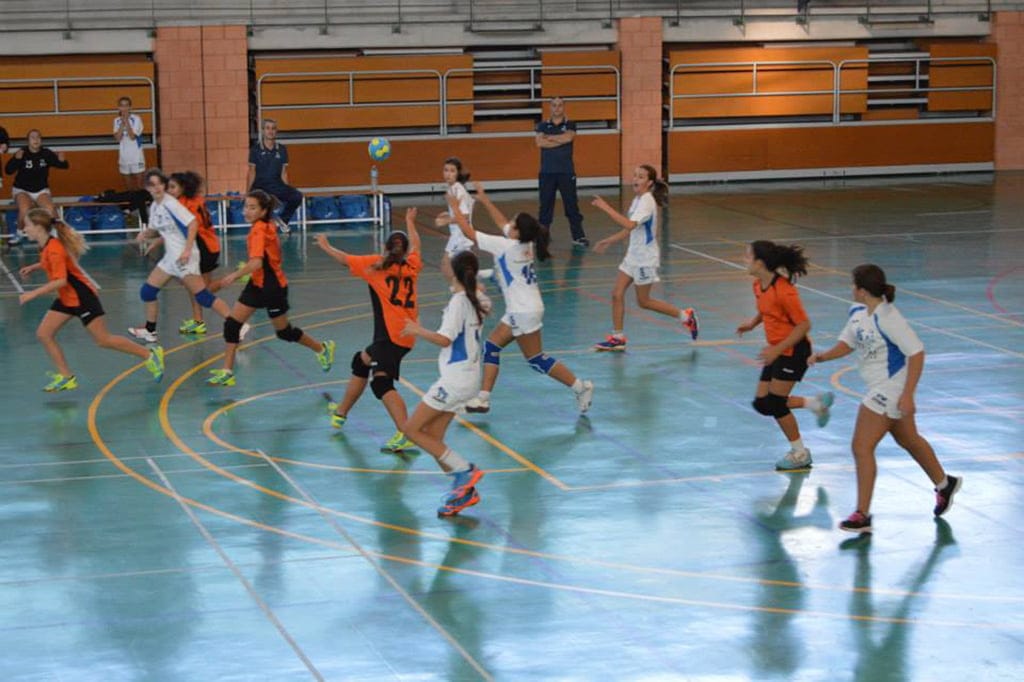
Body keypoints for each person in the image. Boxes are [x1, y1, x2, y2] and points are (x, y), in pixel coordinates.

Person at [809, 264, 961, 533]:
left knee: (861, 446)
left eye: (853, 284)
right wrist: (821, 357)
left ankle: (862, 514)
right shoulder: (857, 312)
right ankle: (944, 484)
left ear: (862, 290)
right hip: (881, 386)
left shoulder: (889, 317)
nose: (851, 289)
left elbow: (917, 353)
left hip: (890, 387)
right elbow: (848, 343)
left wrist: (908, 394)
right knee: (909, 440)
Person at [449, 183, 594, 416]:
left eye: (512, 223)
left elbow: (469, 232)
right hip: (526, 308)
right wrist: (485, 200)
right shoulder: (525, 244)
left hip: (522, 311)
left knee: (535, 358)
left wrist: (455, 208)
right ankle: (483, 399)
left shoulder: (505, 246)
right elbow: (502, 225)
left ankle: (581, 386)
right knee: (492, 347)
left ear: (517, 232)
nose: (508, 224)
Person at [17, 208, 164, 391]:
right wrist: (35, 267)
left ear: (39, 227)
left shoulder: (54, 248)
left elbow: (61, 280)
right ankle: (66, 377)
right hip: (67, 298)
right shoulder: (47, 245)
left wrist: (32, 294)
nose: (24, 229)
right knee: (44, 334)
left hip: (82, 297)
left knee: (103, 340)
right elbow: (54, 263)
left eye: (27, 225)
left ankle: (150, 354)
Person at [316, 208, 422, 452]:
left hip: (391, 336)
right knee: (361, 361)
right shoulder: (412, 266)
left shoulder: (376, 266)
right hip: (405, 334)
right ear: (405, 252)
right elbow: (417, 245)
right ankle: (341, 413)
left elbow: (344, 259)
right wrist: (410, 221)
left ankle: (406, 432)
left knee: (381, 384)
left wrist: (325, 245)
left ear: (385, 248)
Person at [207, 190, 335, 386]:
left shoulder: (260, 230)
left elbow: (257, 262)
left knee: (284, 332)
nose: (246, 211)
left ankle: (322, 349)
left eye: (252, 208)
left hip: (272, 287)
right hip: (257, 283)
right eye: (245, 207)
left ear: (263, 211)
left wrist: (233, 276)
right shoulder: (265, 225)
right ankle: (227, 371)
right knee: (232, 325)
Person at [401, 250, 489, 516]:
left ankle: (465, 471)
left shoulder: (459, 302)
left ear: (455, 272)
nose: (441, 264)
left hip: (454, 380)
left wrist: (417, 330)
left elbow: (445, 339)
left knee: (411, 430)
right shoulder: (477, 298)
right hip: (469, 378)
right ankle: (464, 494)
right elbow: (481, 295)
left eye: (445, 262)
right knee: (434, 437)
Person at [735, 240, 833, 471]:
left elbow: (804, 325)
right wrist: (752, 323)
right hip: (777, 350)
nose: (743, 260)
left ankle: (800, 453)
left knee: (776, 404)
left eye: (748, 256)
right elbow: (766, 308)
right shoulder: (759, 285)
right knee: (762, 404)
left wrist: (777, 350)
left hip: (794, 351)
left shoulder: (785, 291)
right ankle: (815, 404)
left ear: (760, 263)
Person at [591, 164, 699, 351]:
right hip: (633, 256)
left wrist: (605, 207)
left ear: (649, 183)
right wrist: (609, 240)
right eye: (635, 175)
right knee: (616, 294)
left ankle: (686, 316)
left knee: (644, 301)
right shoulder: (637, 200)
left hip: (645, 258)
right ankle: (618, 338)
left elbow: (630, 224)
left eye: (641, 177)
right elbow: (630, 229)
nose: (636, 179)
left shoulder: (647, 201)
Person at [128, 169, 235, 344]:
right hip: (171, 258)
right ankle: (150, 330)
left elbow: (192, 224)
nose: (157, 188)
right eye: (152, 185)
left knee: (203, 295)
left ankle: (235, 324)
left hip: (187, 254)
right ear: (147, 187)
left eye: (160, 184)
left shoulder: (173, 204)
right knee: (148, 291)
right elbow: (159, 228)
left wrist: (186, 250)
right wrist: (145, 234)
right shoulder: (155, 206)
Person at [168, 171, 221, 335]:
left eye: (172, 187)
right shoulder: (195, 200)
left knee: (199, 289)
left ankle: (233, 278)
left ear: (183, 188)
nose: (169, 190)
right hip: (210, 245)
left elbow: (188, 228)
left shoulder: (185, 204)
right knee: (196, 288)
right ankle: (198, 321)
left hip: (203, 247)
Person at [536, 96, 588, 247]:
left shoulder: (570, 124)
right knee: (545, 206)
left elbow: (568, 138)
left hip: (566, 172)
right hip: (547, 172)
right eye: (554, 105)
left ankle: (578, 236)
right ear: (550, 107)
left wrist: (549, 138)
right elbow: (540, 142)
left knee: (571, 205)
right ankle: (543, 237)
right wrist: (559, 139)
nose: (557, 108)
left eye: (559, 105)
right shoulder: (542, 125)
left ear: (563, 107)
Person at [4, 129, 70, 246]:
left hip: (40, 190)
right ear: (28, 141)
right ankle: (19, 233)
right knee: (25, 209)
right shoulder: (22, 153)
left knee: (50, 209)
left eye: (38, 137)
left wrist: (63, 161)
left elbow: (63, 166)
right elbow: (8, 171)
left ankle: (56, 233)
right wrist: (16, 159)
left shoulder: (46, 153)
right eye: (32, 137)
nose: (36, 140)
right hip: (22, 189)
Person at [246, 118, 302, 234]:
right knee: (262, 205)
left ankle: (282, 221)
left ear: (276, 131)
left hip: (276, 184)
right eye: (267, 128)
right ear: (263, 130)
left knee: (297, 196)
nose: (270, 131)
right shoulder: (255, 150)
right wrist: (248, 192)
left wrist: (287, 189)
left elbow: (284, 172)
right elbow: (251, 172)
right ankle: (263, 230)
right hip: (260, 186)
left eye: (273, 128)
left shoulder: (282, 149)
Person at [113, 96, 146, 191]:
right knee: (128, 186)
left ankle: (141, 200)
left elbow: (132, 136)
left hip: (136, 155)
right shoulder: (116, 120)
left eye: (126, 105)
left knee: (139, 185)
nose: (124, 108)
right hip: (124, 156)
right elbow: (117, 138)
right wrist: (122, 123)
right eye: (122, 106)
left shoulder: (137, 119)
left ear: (130, 107)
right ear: (118, 107)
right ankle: (131, 200)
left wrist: (126, 121)